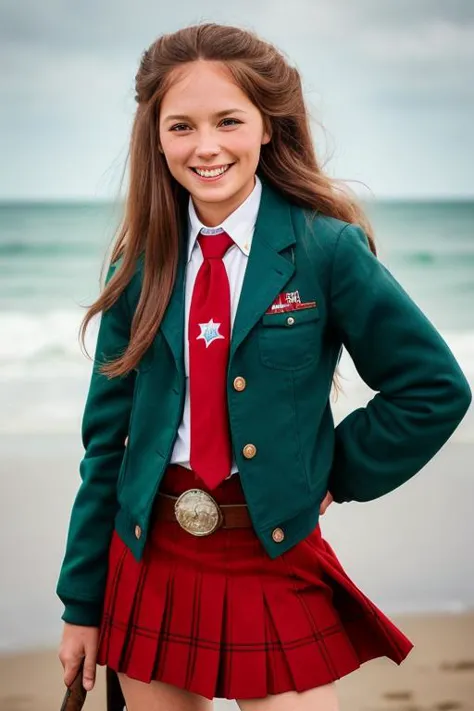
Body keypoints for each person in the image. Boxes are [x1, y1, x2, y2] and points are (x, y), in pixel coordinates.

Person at [56, 22, 472, 711]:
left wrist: (333, 470)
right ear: (156, 138)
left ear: (268, 127)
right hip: (150, 552)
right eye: (181, 126)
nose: (206, 146)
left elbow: (433, 388)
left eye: (228, 120)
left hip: (271, 548)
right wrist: (80, 602)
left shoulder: (326, 250)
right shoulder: (137, 266)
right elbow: (106, 446)